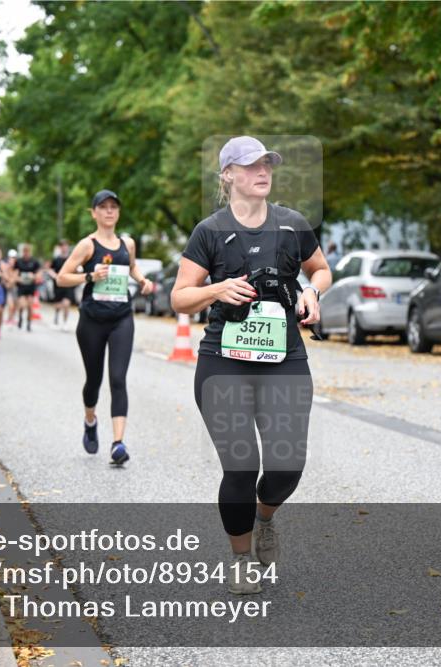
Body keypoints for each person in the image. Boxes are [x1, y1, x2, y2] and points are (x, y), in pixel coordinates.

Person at [170, 136, 331, 594]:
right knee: (240, 468)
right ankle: (241, 558)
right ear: (228, 175)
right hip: (224, 361)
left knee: (287, 466)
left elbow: (320, 269)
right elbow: (180, 298)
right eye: (250, 165)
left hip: (284, 357)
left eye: (267, 164)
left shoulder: (292, 224)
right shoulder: (210, 231)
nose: (262, 171)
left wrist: (312, 291)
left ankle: (265, 517)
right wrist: (216, 289)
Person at [56, 190, 154, 465]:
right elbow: (62, 277)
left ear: (118, 212)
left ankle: (118, 443)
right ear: (94, 213)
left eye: (114, 207)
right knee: (94, 381)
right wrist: (89, 276)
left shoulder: (127, 243)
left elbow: (131, 267)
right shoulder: (86, 245)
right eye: (103, 207)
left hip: (121, 317)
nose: (109, 211)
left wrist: (143, 281)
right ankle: (90, 420)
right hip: (92, 320)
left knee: (118, 378)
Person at [46, 241, 76, 330]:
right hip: (58, 285)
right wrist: (55, 276)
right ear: (60, 248)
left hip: (68, 284)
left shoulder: (72, 259)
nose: (64, 248)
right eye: (63, 246)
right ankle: (56, 318)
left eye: (66, 246)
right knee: (57, 304)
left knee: (66, 303)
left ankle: (65, 322)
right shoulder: (56, 259)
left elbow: (76, 269)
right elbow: (50, 270)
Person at [14, 243, 41, 332]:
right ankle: (20, 317)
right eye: (25, 252)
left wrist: (33, 276)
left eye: (28, 252)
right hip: (21, 286)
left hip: (30, 287)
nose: (26, 253)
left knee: (30, 306)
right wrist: (18, 278)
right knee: (22, 305)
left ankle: (29, 323)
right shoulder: (19, 261)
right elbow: (14, 273)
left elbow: (39, 274)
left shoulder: (34, 261)